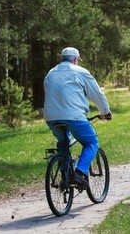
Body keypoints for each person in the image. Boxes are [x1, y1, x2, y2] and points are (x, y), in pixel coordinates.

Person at [43, 47, 112, 188]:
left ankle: (65, 177)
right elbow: (97, 94)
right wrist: (105, 111)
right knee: (91, 142)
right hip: (74, 117)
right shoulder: (80, 72)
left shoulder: (50, 73)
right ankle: (79, 173)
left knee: (63, 143)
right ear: (75, 59)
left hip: (51, 117)